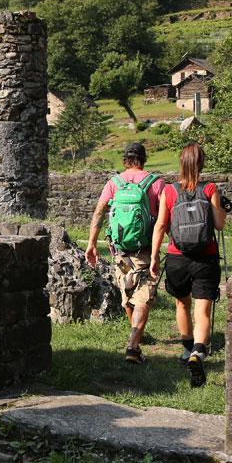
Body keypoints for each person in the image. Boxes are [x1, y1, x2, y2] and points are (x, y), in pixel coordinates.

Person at [150, 141, 226, 388]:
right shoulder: (210, 188)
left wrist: (153, 257)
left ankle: (185, 349)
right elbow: (219, 225)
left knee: (182, 304)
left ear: (181, 163)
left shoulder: (169, 191)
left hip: (177, 257)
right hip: (206, 257)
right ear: (201, 163)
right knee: (202, 309)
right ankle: (198, 352)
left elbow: (161, 225)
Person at [85, 142, 164, 364]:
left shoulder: (114, 183)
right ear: (144, 158)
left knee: (128, 293)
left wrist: (91, 243)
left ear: (125, 159)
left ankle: (135, 334)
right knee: (143, 298)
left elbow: (99, 213)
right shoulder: (155, 183)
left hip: (119, 250)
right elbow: (163, 218)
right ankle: (133, 346)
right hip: (145, 249)